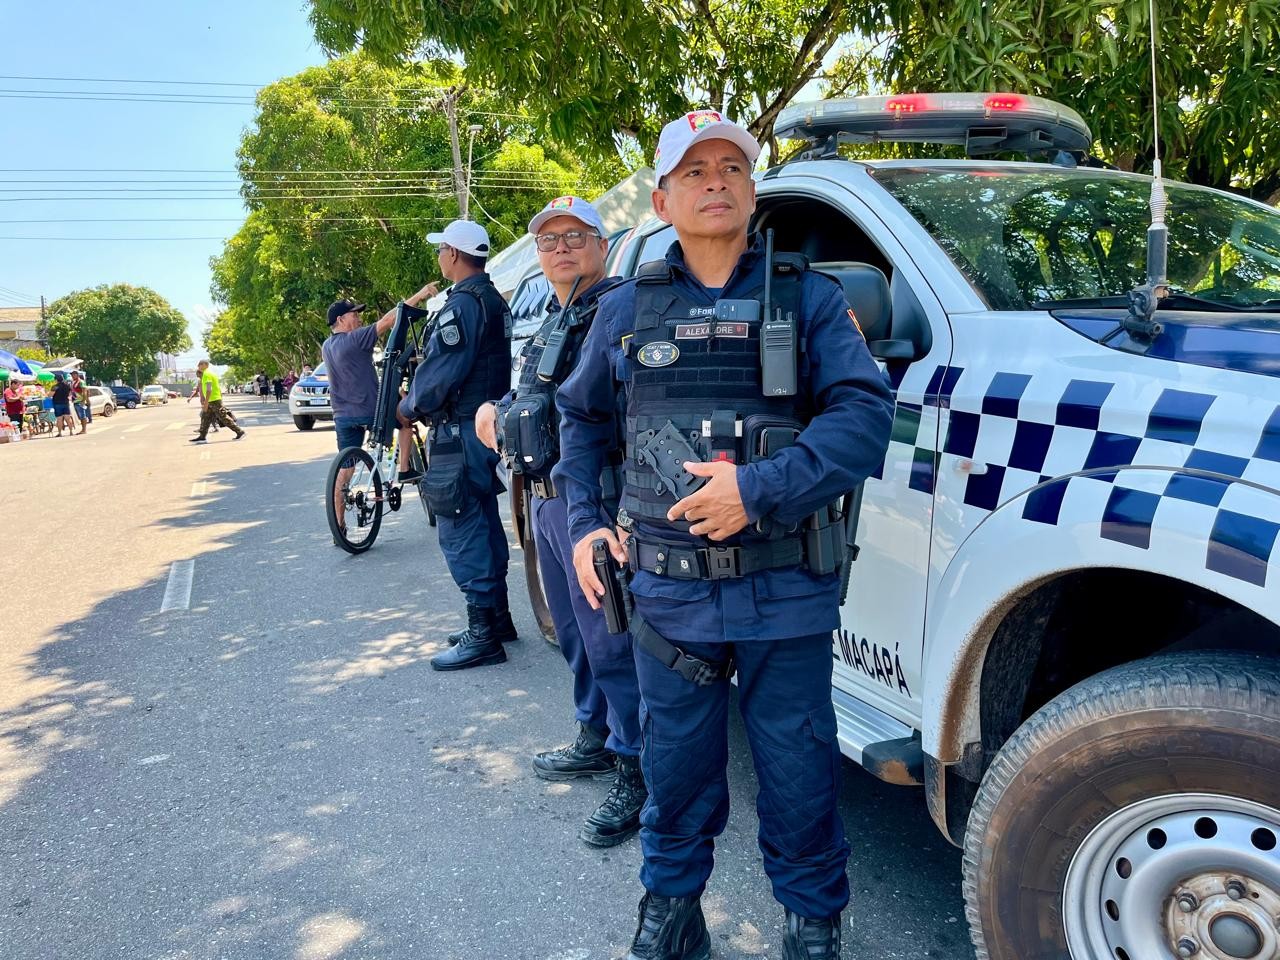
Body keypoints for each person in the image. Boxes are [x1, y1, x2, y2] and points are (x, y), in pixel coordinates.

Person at [555, 112, 895, 960]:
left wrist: (758, 488)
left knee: (799, 773)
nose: (716, 181)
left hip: (784, 589)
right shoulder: (625, 310)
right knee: (675, 769)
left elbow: (864, 419)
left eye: (732, 167)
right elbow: (578, 424)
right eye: (695, 171)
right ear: (663, 199)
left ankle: (812, 926)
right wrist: (587, 526)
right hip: (668, 595)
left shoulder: (810, 299)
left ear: (752, 189)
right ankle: (670, 912)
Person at [477, 197, 646, 847]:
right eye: (549, 241)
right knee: (577, 639)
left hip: (593, 503)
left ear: (603, 244)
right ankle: (595, 736)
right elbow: (533, 397)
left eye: (576, 236)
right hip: (546, 498)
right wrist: (496, 411)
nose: (562, 249)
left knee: (612, 644)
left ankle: (637, 767)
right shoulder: (554, 315)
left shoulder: (622, 308)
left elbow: (633, 419)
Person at [399, 219, 514, 672]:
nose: (439, 257)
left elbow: (439, 375)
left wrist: (408, 405)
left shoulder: (462, 305)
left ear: (452, 254)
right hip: (483, 427)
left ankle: (484, 634)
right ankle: (498, 619)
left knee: (461, 527)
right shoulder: (492, 299)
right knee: (482, 521)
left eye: (441, 250)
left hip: (462, 429)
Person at [322, 289, 434, 532]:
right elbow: (389, 320)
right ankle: (404, 469)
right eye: (354, 314)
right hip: (369, 410)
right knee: (406, 421)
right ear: (341, 320)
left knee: (346, 469)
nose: (359, 318)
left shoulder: (327, 346)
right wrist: (419, 295)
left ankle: (339, 525)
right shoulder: (355, 340)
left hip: (342, 416)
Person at [189, 361, 246, 442]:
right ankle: (202, 436)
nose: (199, 366)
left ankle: (240, 432)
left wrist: (206, 402)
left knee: (223, 417)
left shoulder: (207, 374)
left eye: (200, 364)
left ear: (206, 365)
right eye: (198, 365)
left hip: (214, 400)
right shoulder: (209, 373)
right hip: (212, 399)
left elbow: (209, 389)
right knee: (205, 417)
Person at [50, 373, 75, 437]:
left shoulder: (55, 387)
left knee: (59, 419)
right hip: (66, 403)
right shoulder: (67, 386)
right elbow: (70, 394)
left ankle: (60, 433)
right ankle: (71, 431)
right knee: (67, 418)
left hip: (57, 403)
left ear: (56, 380)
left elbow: (51, 395)